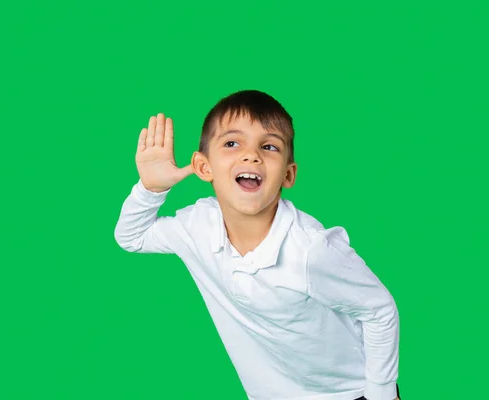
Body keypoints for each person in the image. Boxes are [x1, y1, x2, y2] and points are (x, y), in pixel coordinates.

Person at [113, 90, 401, 400]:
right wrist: (150, 189)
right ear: (203, 167)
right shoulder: (196, 227)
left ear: (287, 175)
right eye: (232, 143)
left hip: (348, 393)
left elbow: (379, 310)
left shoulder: (310, 250)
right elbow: (132, 236)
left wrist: (381, 394)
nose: (251, 155)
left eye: (269, 146)